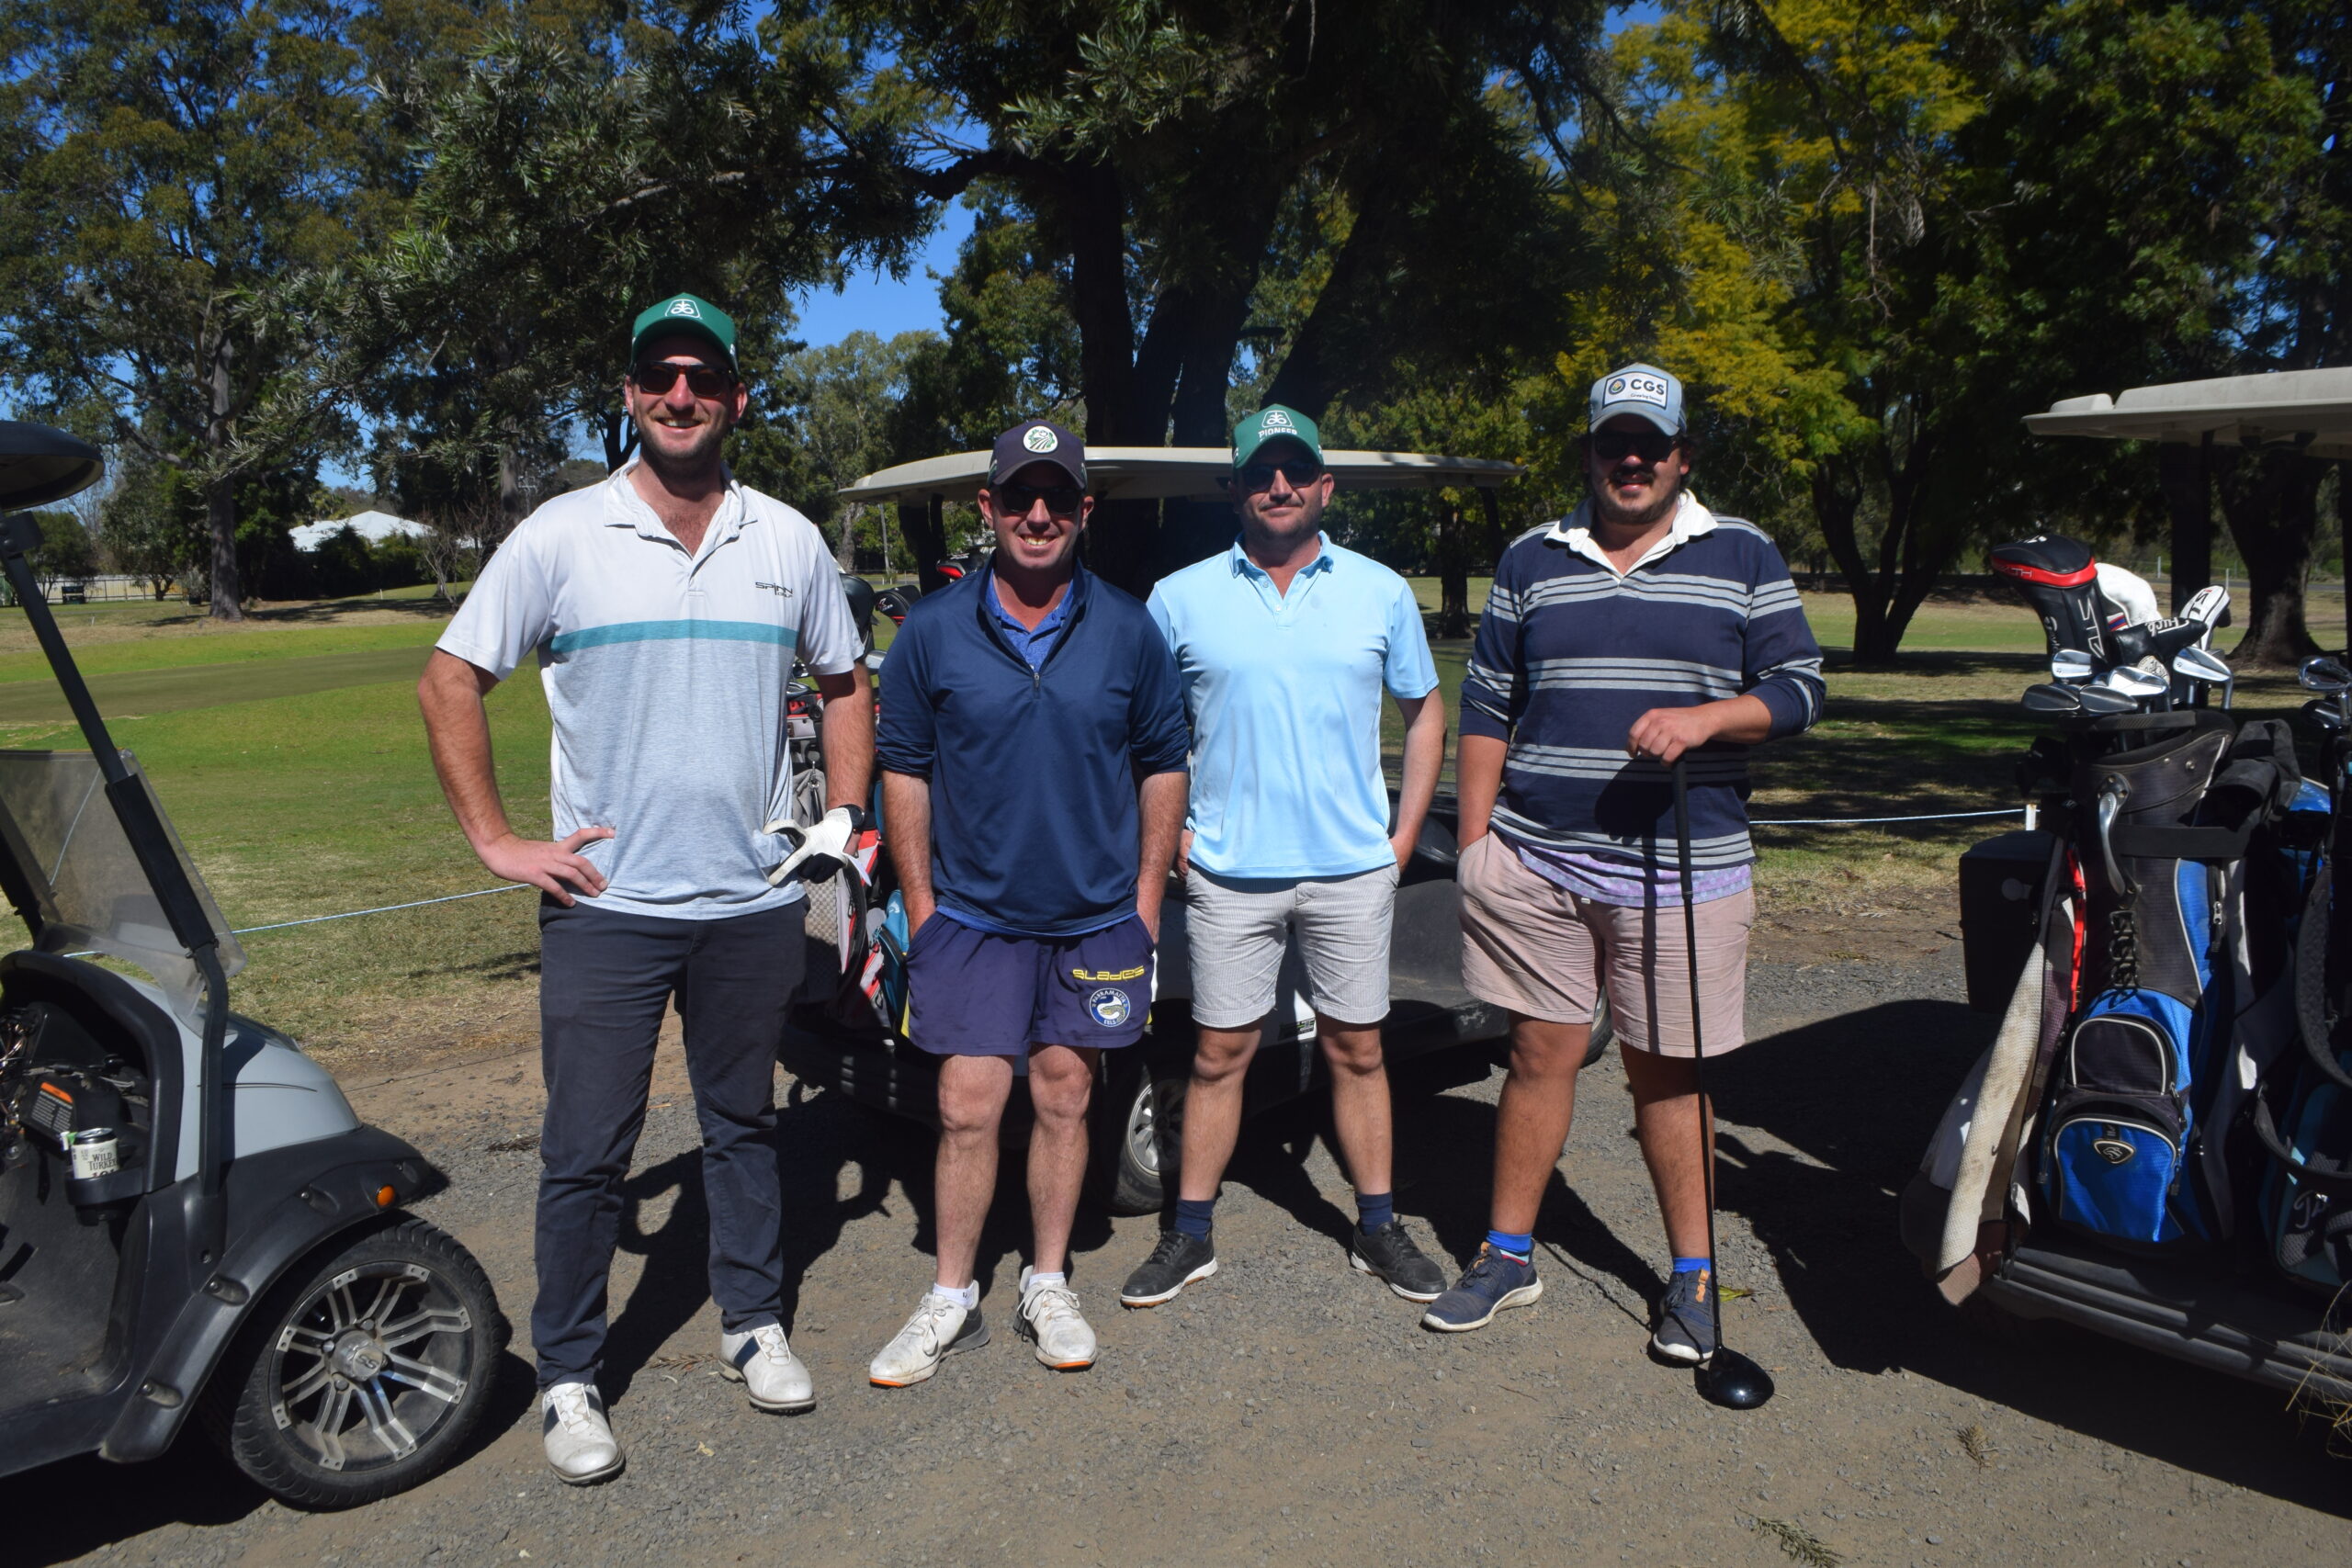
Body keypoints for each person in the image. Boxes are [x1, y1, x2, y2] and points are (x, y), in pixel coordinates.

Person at [419, 293, 872, 1483]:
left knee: (742, 1126)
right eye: (660, 374)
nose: (681, 393)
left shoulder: (784, 539)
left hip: (749, 903)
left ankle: (752, 1321)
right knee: (585, 1149)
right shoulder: (562, 535)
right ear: (629, 392)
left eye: (703, 376)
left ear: (734, 396)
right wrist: (498, 839)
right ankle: (571, 1371)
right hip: (606, 912)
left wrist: (843, 814)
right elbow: (450, 677)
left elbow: (846, 679)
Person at [1424, 363, 1823, 1366]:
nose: (1631, 461)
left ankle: (1690, 1278)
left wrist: (1708, 719)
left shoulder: (1740, 553)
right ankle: (1508, 1254)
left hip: (1681, 869)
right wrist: (1475, 847)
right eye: (1614, 444)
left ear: (1682, 456)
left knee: (1665, 1076)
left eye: (1651, 444)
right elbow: (1485, 706)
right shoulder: (1531, 558)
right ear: (1591, 454)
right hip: (1537, 863)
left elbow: (1800, 689)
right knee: (1537, 1057)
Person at [869, 418, 1189, 1385]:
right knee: (967, 1105)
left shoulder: (1131, 628)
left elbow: (1163, 764)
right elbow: (906, 772)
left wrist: (1140, 899)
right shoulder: (930, 632)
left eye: (1057, 498)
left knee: (1064, 1093)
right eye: (1019, 497)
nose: (1037, 514)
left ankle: (1046, 1281)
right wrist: (920, 906)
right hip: (969, 916)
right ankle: (951, 1294)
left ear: (1084, 510)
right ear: (988, 508)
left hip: (1095, 915)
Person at [1120, 404, 1451, 1310]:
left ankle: (1377, 1225)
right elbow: (1141, 727)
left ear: (1323, 487)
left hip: (1351, 869)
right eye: (1260, 473)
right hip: (1226, 872)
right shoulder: (1179, 596)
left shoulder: (1379, 590)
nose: (1278, 487)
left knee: (1356, 1048)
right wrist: (1174, 834)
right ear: (1234, 488)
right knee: (1220, 1053)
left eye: (1294, 472)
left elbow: (1424, 712)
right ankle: (1187, 1234)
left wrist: (1401, 838)